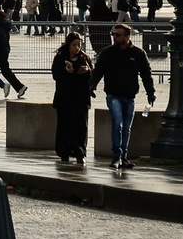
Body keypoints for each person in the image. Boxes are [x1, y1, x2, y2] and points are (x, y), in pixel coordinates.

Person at [90, 23, 155, 170]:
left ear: (127, 37)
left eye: (118, 35)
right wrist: (91, 85)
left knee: (127, 128)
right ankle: (116, 156)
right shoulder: (107, 53)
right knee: (117, 124)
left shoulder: (138, 54)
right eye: (113, 34)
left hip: (130, 96)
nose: (114, 37)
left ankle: (123, 157)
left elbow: (146, 74)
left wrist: (151, 92)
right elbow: (98, 71)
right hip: (113, 95)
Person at [51, 32, 93, 164]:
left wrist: (87, 72)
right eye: (74, 45)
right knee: (64, 124)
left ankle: (80, 151)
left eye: (79, 45)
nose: (76, 48)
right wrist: (66, 71)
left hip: (81, 97)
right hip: (64, 97)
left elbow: (93, 77)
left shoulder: (84, 58)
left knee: (80, 125)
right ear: (68, 45)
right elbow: (56, 75)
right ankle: (64, 152)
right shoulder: (60, 58)